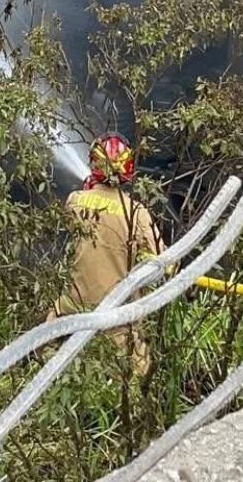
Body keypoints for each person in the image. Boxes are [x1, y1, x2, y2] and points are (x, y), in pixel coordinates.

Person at [52, 135, 163, 366]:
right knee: (137, 372)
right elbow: (165, 263)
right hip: (116, 316)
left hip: (73, 308)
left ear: (94, 164)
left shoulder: (75, 200)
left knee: (47, 350)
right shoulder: (136, 212)